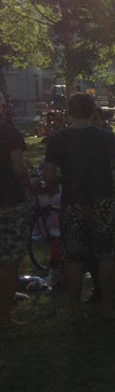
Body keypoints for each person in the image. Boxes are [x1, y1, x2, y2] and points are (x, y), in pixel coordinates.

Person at [43, 93, 115, 321]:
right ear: (93, 111)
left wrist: (65, 180)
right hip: (103, 200)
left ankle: (75, 311)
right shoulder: (105, 137)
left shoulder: (57, 139)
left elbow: (49, 176)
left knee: (73, 258)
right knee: (106, 255)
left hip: (72, 203)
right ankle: (107, 308)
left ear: (68, 112)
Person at [1, 120, 33, 328]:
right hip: (10, 200)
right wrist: (31, 184)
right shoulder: (9, 133)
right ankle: (4, 315)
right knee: (10, 259)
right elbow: (18, 169)